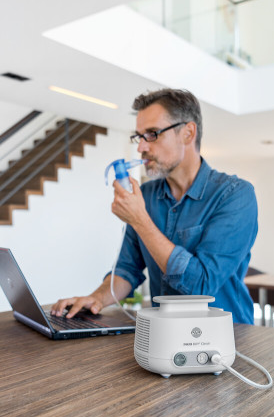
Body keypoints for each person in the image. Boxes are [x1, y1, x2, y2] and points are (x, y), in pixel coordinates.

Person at [51, 88, 258, 324]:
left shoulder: (235, 195)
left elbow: (201, 286)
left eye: (152, 134)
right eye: (139, 136)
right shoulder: (146, 196)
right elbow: (127, 270)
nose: (141, 147)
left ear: (188, 133)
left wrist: (140, 220)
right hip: (165, 335)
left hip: (229, 339)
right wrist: (95, 298)